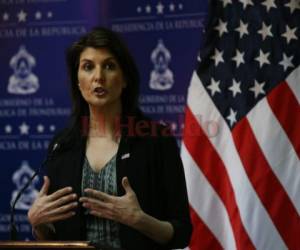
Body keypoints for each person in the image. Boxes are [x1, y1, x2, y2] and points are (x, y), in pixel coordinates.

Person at [27, 27, 192, 250]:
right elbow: (54, 240)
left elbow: (182, 234)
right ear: (77, 80)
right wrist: (39, 224)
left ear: (124, 79)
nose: (98, 77)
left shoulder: (156, 141)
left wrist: (139, 220)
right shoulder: (62, 145)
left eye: (109, 66)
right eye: (88, 67)